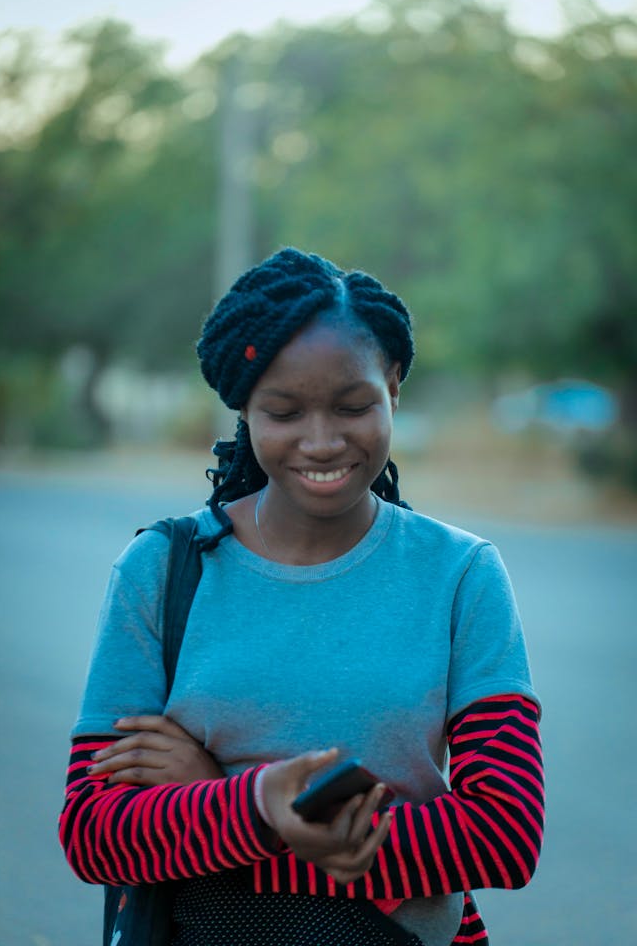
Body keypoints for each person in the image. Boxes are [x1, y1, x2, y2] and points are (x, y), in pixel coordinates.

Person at [59, 247, 544, 946]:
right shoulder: (164, 571)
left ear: (395, 387)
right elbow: (92, 834)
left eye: (353, 406)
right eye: (283, 412)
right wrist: (256, 804)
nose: (321, 442)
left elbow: (505, 836)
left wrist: (235, 807)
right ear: (244, 409)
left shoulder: (460, 573)